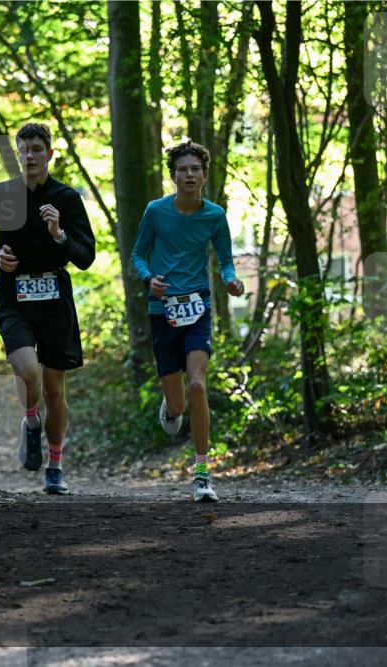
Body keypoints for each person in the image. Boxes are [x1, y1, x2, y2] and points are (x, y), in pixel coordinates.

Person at [0, 123, 96, 495]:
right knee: (26, 370)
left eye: (37, 150)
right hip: (14, 295)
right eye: (24, 149)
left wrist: (59, 234)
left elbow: (86, 256)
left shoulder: (67, 198)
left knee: (55, 390)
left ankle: (55, 466)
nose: (29, 156)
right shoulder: (2, 194)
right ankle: (31, 422)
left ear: (49, 154)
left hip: (55, 298)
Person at [130, 140, 244, 502]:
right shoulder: (155, 211)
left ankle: (201, 473)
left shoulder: (215, 215)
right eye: (183, 169)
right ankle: (171, 405)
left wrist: (230, 280)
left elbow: (225, 261)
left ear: (204, 175)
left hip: (198, 308)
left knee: (197, 384)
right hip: (163, 311)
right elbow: (137, 254)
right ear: (173, 176)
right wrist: (150, 279)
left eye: (195, 168)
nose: (189, 174)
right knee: (178, 406)